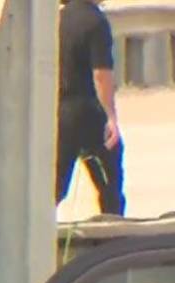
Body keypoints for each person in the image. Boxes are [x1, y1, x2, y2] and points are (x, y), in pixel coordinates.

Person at [56, 0, 126, 215]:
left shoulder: (57, 20)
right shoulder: (95, 22)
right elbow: (101, 74)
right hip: (88, 111)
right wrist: (111, 116)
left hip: (59, 110)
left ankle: (40, 230)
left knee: (54, 186)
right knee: (110, 185)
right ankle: (114, 228)